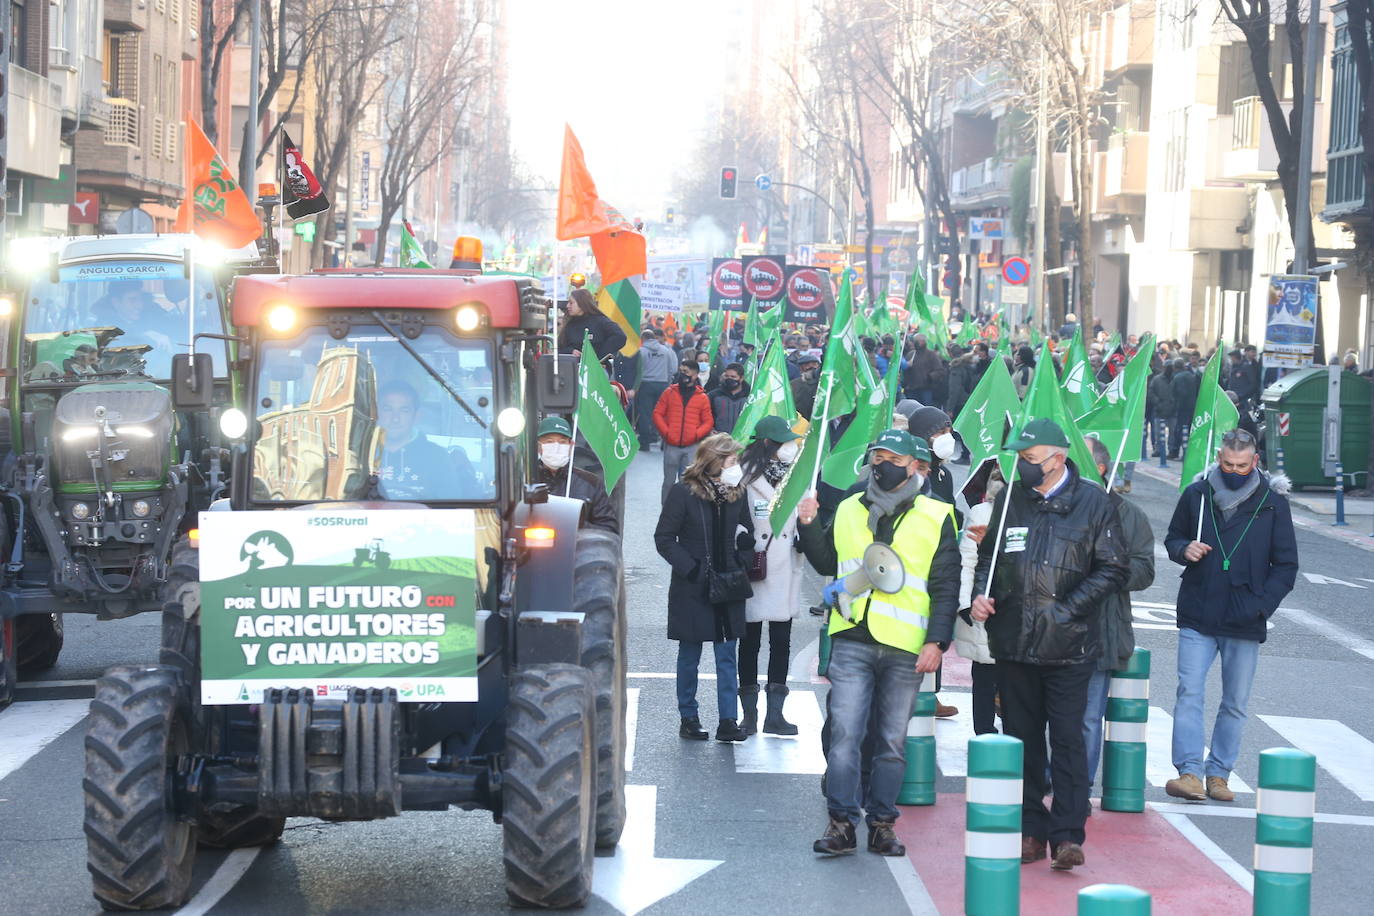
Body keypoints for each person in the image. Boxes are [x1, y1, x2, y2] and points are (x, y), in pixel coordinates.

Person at [970, 418, 1128, 871]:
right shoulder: (1010, 500)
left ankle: (1066, 835)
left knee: (1068, 741)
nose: (1023, 467)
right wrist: (982, 595)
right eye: (1020, 459)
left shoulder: (1094, 504)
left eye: (1030, 459)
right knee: (1022, 740)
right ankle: (1030, 830)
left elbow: (1113, 569)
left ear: (1058, 459)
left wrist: (1068, 609)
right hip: (1015, 640)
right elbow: (989, 557)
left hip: (1069, 645)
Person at [798, 431, 960, 857]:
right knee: (845, 734)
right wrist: (810, 523)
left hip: (906, 644)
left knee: (890, 741)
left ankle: (883, 823)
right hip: (852, 635)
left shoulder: (938, 515)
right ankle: (841, 822)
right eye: (877, 456)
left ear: (913, 464)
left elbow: (946, 585)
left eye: (892, 458)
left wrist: (938, 641)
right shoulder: (852, 506)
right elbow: (828, 563)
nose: (881, 464)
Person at [1162, 428, 1297, 802]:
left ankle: (1218, 774)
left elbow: (1286, 566)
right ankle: (1189, 771)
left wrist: (1261, 605)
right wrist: (1183, 549)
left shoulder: (1272, 502)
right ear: (1218, 458)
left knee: (1235, 701)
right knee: (1189, 691)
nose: (1233, 470)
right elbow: (1173, 537)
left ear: (1255, 461)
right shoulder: (1197, 494)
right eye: (1226, 463)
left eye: (1241, 465)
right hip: (1198, 609)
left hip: (1244, 616)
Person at [654, 433, 755, 743]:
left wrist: (743, 555)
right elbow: (664, 538)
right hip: (693, 585)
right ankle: (689, 716)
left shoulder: (738, 492)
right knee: (690, 653)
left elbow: (748, 531)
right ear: (714, 462)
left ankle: (728, 719)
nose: (737, 466)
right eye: (732, 461)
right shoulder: (683, 493)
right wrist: (693, 568)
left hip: (729, 584)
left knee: (727, 654)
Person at [1082, 436, 1155, 791]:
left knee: (1088, 718)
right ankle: (1042, 780)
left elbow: (1145, 571)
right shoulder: (1049, 504)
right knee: (1046, 716)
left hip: (1102, 631)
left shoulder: (1129, 516)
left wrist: (1109, 569)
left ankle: (1077, 789)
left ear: (1100, 468)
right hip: (1052, 631)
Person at [738, 416, 806, 735]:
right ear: (767, 444)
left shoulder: (797, 477)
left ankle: (775, 715)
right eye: (783, 442)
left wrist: (806, 531)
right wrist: (743, 542)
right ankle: (748, 714)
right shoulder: (744, 478)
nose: (790, 448)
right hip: (756, 565)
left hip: (786, 566)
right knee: (749, 642)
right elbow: (736, 519)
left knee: (781, 641)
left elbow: (806, 516)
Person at [955, 467, 1004, 735]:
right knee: (984, 674)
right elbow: (967, 561)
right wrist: (964, 602)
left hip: (1019, 607)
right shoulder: (981, 513)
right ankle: (983, 732)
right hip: (983, 604)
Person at [376, 381, 474, 499]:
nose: (395, 418)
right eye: (388, 409)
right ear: (375, 413)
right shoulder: (359, 455)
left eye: (404, 410)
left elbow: (450, 507)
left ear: (417, 416)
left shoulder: (438, 457)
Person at [534, 417, 618, 535]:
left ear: (571, 445)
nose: (556, 447)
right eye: (549, 442)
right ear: (538, 446)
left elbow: (609, 529)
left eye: (562, 442)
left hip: (579, 549)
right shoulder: (526, 480)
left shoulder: (591, 483)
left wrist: (578, 524)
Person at [653, 360, 715, 503]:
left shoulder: (702, 398)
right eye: (681, 371)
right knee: (668, 482)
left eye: (686, 372)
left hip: (692, 446)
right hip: (671, 445)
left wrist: (696, 435)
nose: (682, 374)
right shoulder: (669, 393)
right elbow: (657, 413)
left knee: (688, 483)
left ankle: (684, 513)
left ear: (695, 374)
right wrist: (666, 433)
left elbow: (708, 421)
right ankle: (666, 512)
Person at [558, 288, 626, 360]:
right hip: (572, 367)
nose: (567, 306)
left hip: (596, 368)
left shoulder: (601, 321)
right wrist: (571, 351)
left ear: (582, 303)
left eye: (571, 303)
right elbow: (560, 348)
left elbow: (620, 336)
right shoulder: (569, 324)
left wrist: (599, 358)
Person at [636, 330, 676, 451]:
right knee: (660, 413)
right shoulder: (666, 350)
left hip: (645, 384)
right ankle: (658, 437)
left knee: (645, 414)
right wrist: (667, 382)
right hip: (662, 384)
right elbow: (672, 369)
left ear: (643, 338)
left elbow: (638, 370)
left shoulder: (641, 351)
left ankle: (644, 442)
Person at [707, 363, 751, 434]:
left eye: (733, 377)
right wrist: (710, 429)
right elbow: (706, 416)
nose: (729, 379)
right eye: (727, 376)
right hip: (719, 439)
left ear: (741, 378)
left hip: (742, 439)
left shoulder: (750, 396)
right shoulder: (714, 395)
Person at [902, 334, 945, 406]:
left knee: (926, 409)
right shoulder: (910, 354)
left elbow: (940, 371)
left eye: (915, 341)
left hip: (925, 389)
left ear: (922, 342)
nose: (913, 343)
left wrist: (929, 377)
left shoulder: (931, 355)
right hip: (911, 389)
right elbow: (904, 370)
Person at [1169, 358, 1200, 459]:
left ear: (1175, 367)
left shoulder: (1177, 378)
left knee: (1179, 430)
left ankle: (1175, 451)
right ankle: (1187, 452)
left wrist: (1173, 407)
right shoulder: (1192, 376)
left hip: (1181, 408)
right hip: (1192, 407)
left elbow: (1173, 394)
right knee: (1189, 430)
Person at [791, 351, 822, 419]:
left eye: (814, 364)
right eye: (807, 364)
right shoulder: (793, 384)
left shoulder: (822, 382)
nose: (811, 366)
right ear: (800, 367)